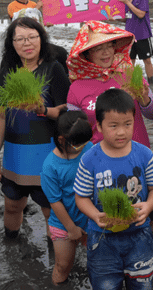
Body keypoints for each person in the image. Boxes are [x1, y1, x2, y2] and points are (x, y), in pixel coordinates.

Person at [66, 20, 153, 246]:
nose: (105, 52)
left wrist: (144, 96)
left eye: (109, 46)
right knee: (105, 212)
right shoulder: (76, 87)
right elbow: (75, 129)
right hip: (99, 163)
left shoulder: (130, 73)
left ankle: (151, 259)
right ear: (87, 54)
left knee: (147, 213)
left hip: (136, 156)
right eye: (98, 48)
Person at [74, 89, 153, 290]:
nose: (121, 132)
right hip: (102, 238)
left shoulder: (144, 154)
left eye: (127, 124)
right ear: (98, 125)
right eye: (113, 126)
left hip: (139, 235)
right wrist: (95, 215)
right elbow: (81, 197)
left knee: (141, 285)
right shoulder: (89, 160)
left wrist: (148, 206)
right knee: (105, 285)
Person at [0, 16, 70, 239]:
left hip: (46, 152)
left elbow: (66, 110)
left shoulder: (53, 68)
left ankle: (56, 255)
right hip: (15, 152)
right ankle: (12, 247)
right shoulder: (8, 69)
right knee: (12, 205)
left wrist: (43, 109)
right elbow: (1, 115)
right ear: (12, 43)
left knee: (50, 209)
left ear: (41, 39)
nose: (26, 43)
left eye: (32, 37)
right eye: (20, 39)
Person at [40, 110, 93, 285]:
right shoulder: (50, 166)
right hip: (63, 223)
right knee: (63, 265)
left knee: (98, 262)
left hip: (90, 217)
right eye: (78, 145)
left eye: (84, 143)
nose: (82, 147)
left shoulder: (89, 148)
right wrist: (71, 228)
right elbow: (54, 202)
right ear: (62, 139)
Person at [112, 0, 153, 84]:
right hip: (129, 35)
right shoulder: (125, 0)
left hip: (142, 34)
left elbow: (141, 14)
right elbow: (126, 19)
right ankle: (130, 82)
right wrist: (115, 18)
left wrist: (127, 2)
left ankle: (151, 81)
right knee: (130, 60)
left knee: (147, 59)